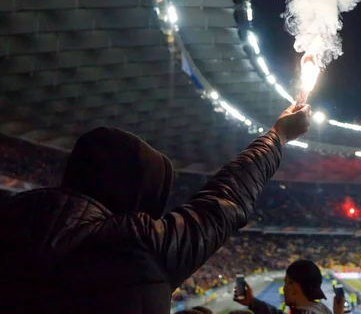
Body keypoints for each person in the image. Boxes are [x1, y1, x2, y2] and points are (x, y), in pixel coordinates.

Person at [0, 103, 311, 314]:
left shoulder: (10, 220)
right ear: (135, 191)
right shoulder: (134, 244)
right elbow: (224, 200)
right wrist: (277, 136)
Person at [234, 259, 344, 314]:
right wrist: (251, 302)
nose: (284, 288)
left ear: (294, 287)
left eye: (286, 283)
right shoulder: (321, 308)